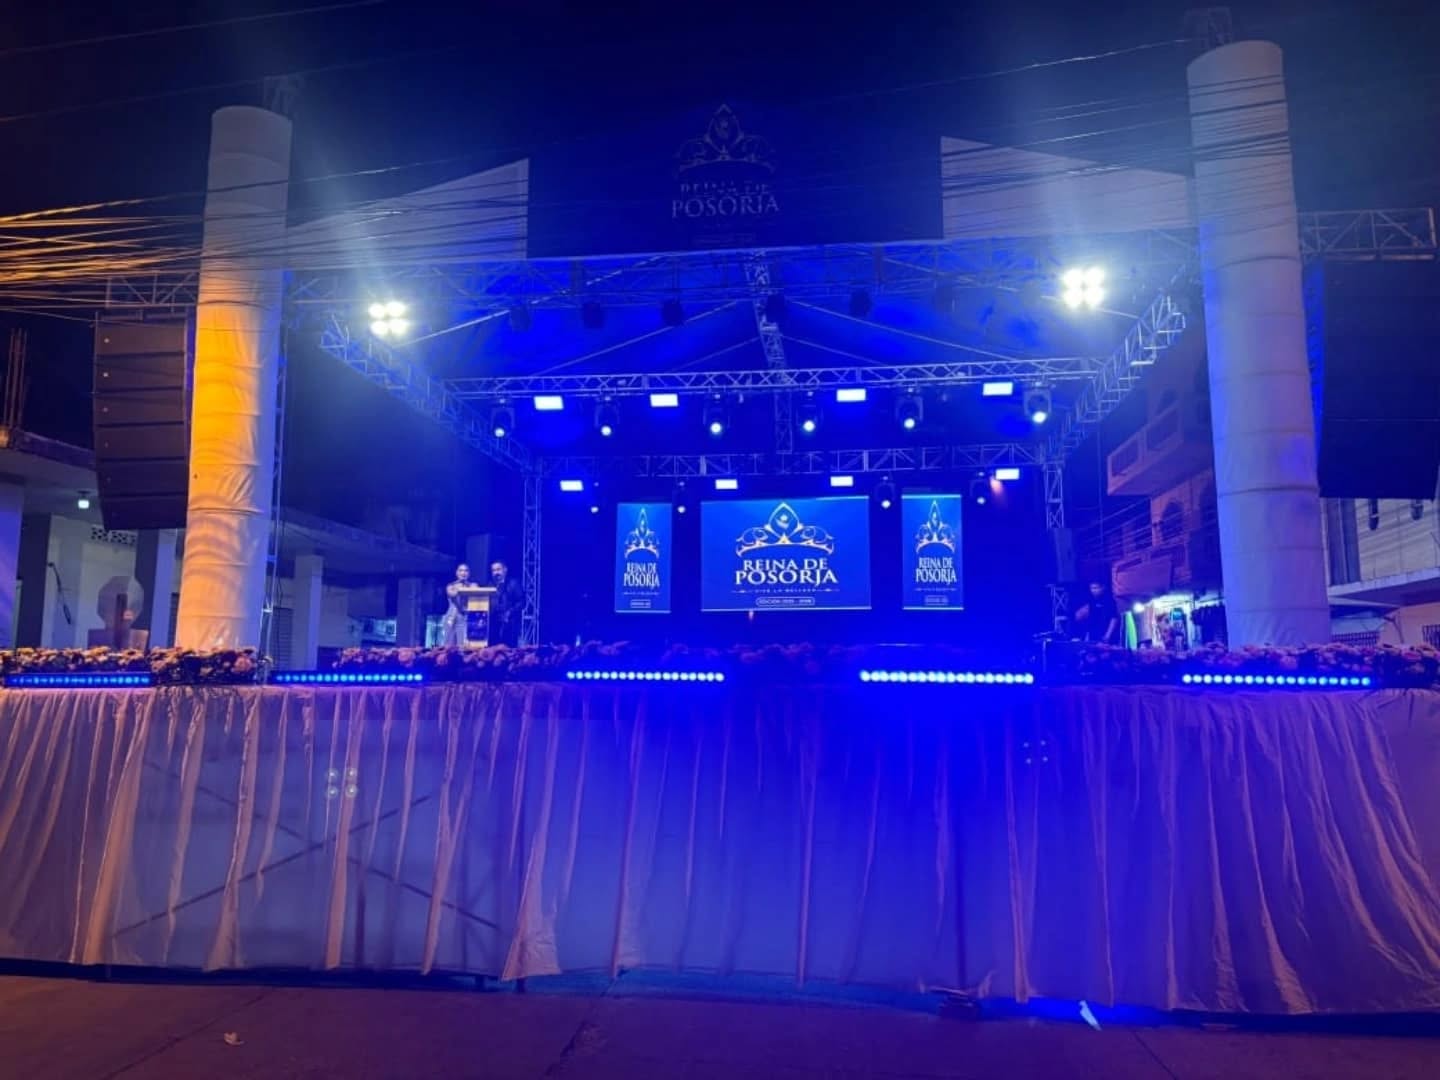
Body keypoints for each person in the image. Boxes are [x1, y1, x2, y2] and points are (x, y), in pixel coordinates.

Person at [489, 560, 525, 647]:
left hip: (510, 623)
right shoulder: (490, 585)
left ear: (505, 570)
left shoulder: (513, 583)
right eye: (493, 570)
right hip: (494, 624)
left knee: (509, 649)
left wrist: (510, 612)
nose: (496, 573)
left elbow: (522, 602)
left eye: (498, 569)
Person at [1074, 579, 1120, 646]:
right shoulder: (1091, 601)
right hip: (1094, 636)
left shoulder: (1109, 601)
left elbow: (1114, 619)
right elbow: (1089, 619)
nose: (1093, 590)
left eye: (1096, 588)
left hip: (1106, 636)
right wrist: (1087, 635)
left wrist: (1108, 635)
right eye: (1092, 588)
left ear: (1102, 588)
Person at [439, 563, 472, 648]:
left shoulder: (472, 585)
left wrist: (470, 587)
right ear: (457, 573)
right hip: (452, 616)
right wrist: (460, 588)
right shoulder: (451, 586)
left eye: (466, 571)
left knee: (462, 645)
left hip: (465, 617)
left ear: (469, 573)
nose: (463, 573)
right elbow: (452, 594)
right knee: (448, 644)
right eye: (461, 571)